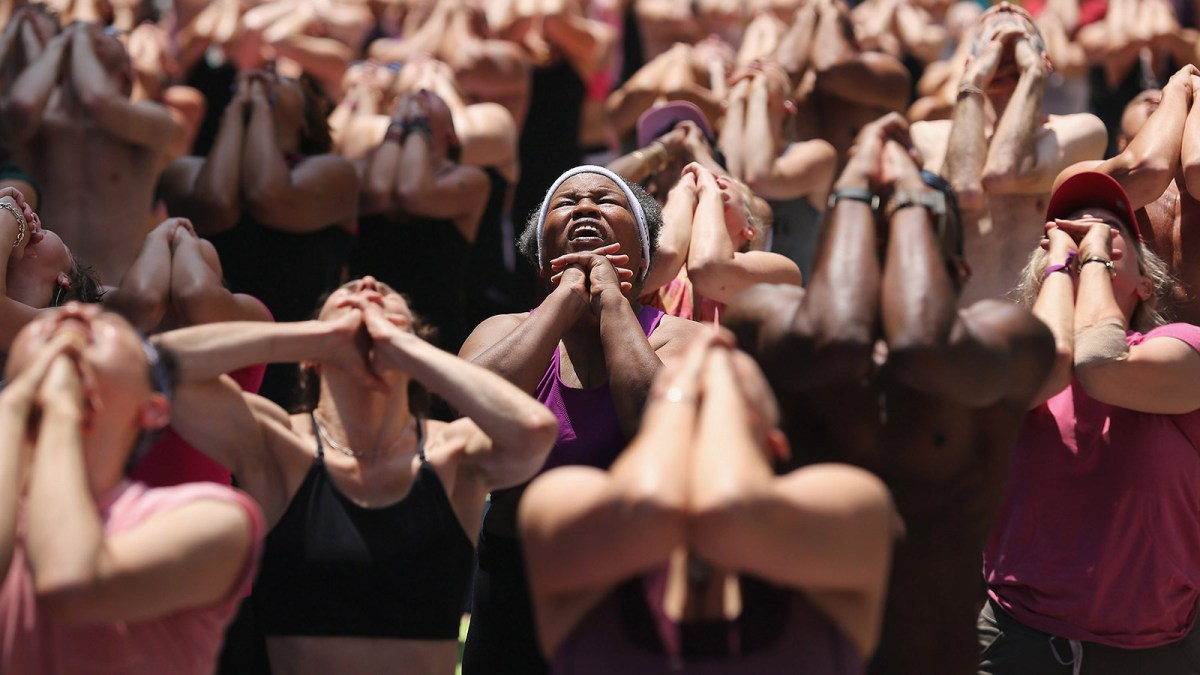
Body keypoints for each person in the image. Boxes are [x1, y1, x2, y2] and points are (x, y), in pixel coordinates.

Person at [721, 113, 1056, 675]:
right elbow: (836, 338)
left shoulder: (1007, 339)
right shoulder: (767, 318)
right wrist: (856, 179)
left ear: (957, 265)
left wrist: (904, 187)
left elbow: (922, 344)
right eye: (865, 223)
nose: (884, 237)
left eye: (908, 223)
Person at [154, 276, 559, 675]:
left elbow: (534, 430)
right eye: (345, 296)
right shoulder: (276, 446)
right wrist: (311, 338)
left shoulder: (454, 454)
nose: (367, 286)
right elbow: (153, 366)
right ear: (311, 354)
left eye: (386, 297)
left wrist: (401, 347)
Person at [520, 331, 895, 674]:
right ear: (649, 444)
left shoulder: (858, 506)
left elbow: (730, 509)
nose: (706, 372)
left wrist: (676, 390)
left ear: (774, 446)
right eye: (679, 394)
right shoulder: (557, 501)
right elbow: (652, 505)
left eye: (731, 394)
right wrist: (709, 383)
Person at [459, 164, 704, 674]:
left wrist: (614, 301)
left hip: (636, 586)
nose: (587, 207)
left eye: (606, 201)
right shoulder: (500, 330)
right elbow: (475, 412)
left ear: (642, 254)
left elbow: (657, 426)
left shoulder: (685, 339)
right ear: (540, 251)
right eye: (567, 203)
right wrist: (568, 295)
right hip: (513, 584)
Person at [981, 171, 1200, 673]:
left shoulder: (1185, 347)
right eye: (1073, 227)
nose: (1089, 232)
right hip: (1020, 636)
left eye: (1109, 227)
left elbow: (1102, 364)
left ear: (1146, 284)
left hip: (1152, 649)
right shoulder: (1011, 357)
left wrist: (1090, 252)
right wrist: (1062, 260)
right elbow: (1054, 362)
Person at [0, 303, 264, 674]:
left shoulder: (216, 518)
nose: (74, 310)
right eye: (45, 323)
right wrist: (14, 408)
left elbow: (71, 584)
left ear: (153, 409)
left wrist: (60, 409)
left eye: (107, 322)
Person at [159, 68, 358, 408]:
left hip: (297, 363)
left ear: (306, 124)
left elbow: (266, 193)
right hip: (212, 357)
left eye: (282, 81)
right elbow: (217, 203)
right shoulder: (185, 170)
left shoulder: (335, 171)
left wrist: (259, 108)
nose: (264, 79)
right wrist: (239, 109)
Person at [910, 2, 1106, 304]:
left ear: (1044, 62)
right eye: (993, 45)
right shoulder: (928, 135)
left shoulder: (1081, 131)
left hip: (1038, 331)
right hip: (958, 329)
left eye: (1017, 42)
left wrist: (1032, 74)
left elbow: (1004, 173)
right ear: (971, 62)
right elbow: (964, 190)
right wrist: (972, 82)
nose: (1003, 6)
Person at [1, 20, 177, 286]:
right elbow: (22, 106)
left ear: (127, 75)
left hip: (116, 293)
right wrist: (59, 44)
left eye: (108, 36)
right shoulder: (40, 127)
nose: (94, 35)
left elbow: (98, 100)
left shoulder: (153, 121)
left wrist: (79, 34)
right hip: (43, 296)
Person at [1053, 65, 1200, 324]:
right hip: (1117, 350)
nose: (1159, 99)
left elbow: (1197, 166)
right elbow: (1147, 168)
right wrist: (1177, 88)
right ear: (1120, 141)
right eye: (1146, 100)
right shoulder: (1082, 176)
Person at [643, 161, 800, 322]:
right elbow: (664, 253)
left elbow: (709, 267)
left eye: (722, 181)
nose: (711, 180)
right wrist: (682, 191)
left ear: (749, 229)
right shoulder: (655, 272)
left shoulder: (783, 271)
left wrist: (710, 193)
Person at [0, 185, 103, 351]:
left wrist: (10, 212)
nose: (34, 220)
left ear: (64, 281)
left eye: (44, 231)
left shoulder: (59, 327)